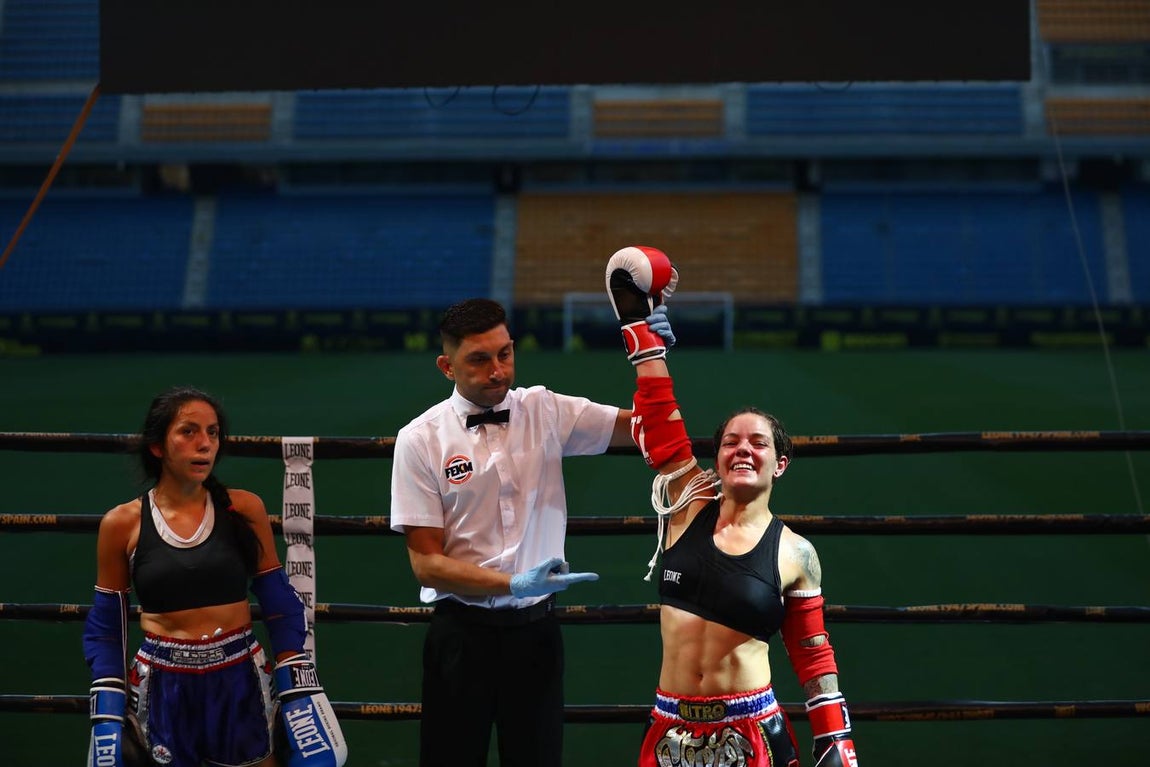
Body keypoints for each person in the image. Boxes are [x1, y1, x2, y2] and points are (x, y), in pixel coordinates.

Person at [604, 246, 859, 767]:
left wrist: (836, 739)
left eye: (758, 443)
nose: (743, 448)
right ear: (716, 459)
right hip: (668, 727)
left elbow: (812, 653)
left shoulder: (796, 553)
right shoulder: (686, 504)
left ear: (779, 464)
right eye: (730, 442)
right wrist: (642, 336)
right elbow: (660, 423)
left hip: (751, 729)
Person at [389, 297, 636, 767]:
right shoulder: (419, 439)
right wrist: (512, 584)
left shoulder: (544, 408)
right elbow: (425, 563)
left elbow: (649, 431)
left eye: (504, 354)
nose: (498, 371)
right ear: (447, 366)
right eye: (479, 360)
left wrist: (650, 356)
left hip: (536, 635)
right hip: (461, 636)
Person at [83, 385, 346, 767]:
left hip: (240, 678)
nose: (204, 444)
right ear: (158, 446)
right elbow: (108, 625)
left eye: (212, 432)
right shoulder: (122, 524)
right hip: (163, 685)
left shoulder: (244, 507)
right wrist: (107, 705)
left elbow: (277, 599)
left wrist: (295, 676)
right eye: (188, 431)